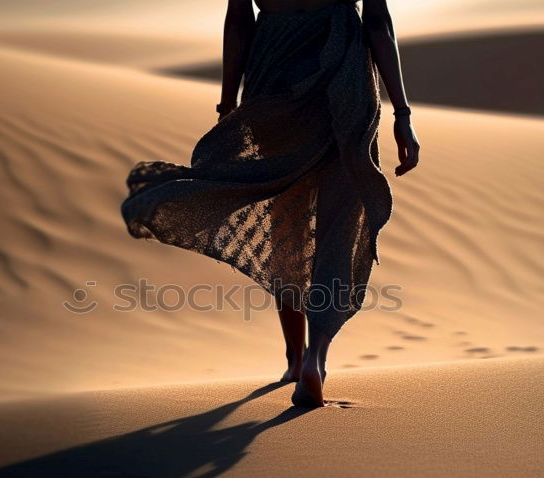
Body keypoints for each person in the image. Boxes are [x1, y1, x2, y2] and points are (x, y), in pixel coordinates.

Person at [121, 0, 420, 407]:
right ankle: (316, 358)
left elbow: (239, 22)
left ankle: (295, 358)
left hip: (273, 74)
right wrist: (402, 113)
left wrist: (228, 105)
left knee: (285, 213)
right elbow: (378, 23)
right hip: (344, 74)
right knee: (340, 216)